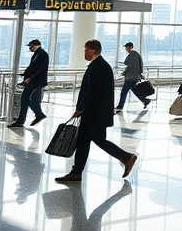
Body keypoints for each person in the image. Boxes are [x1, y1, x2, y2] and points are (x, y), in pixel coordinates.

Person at [55, 39, 138, 183]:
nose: (84, 53)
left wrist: (80, 109)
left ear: (93, 50)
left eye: (86, 50)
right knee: (83, 141)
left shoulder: (98, 67)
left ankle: (126, 157)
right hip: (93, 112)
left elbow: (92, 91)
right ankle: (76, 172)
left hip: (95, 112)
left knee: (98, 139)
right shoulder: (99, 65)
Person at [9, 39, 49, 127]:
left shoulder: (42, 54)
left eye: (30, 45)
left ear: (35, 45)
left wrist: (30, 78)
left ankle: (33, 116)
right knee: (31, 99)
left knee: (25, 98)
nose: (30, 48)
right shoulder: (38, 54)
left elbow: (39, 68)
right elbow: (33, 67)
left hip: (36, 81)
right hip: (35, 81)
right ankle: (37, 115)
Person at [114, 42, 150, 113]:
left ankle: (120, 106)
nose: (126, 49)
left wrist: (124, 73)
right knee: (135, 91)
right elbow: (127, 63)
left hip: (130, 77)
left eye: (126, 47)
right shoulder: (134, 54)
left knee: (124, 92)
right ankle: (146, 100)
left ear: (130, 47)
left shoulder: (133, 55)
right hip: (134, 77)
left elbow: (130, 66)